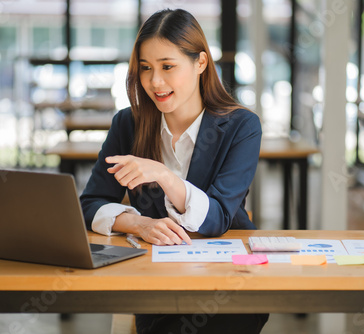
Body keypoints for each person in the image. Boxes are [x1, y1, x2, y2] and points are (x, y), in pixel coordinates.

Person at [80, 8, 268, 334]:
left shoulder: (240, 127)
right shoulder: (129, 124)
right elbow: (91, 204)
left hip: (229, 283)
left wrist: (164, 176)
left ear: (200, 63)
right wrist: (140, 224)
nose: (155, 81)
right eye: (146, 69)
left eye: (168, 67)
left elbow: (217, 217)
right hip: (157, 284)